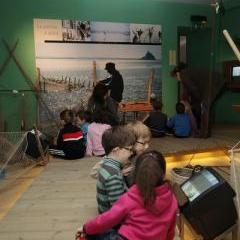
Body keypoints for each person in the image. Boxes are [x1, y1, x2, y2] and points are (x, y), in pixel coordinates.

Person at [76, 150, 177, 240]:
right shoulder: (172, 200)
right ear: (163, 174)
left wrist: (86, 228)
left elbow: (107, 219)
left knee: (92, 233)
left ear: (136, 174)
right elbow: (170, 231)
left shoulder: (130, 198)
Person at [95, 125, 136, 214]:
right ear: (116, 150)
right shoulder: (113, 175)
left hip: (105, 213)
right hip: (112, 222)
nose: (132, 152)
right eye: (129, 149)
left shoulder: (106, 163)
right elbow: (118, 209)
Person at [171, 63, 202, 135]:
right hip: (194, 98)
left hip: (197, 98)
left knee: (191, 115)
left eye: (176, 76)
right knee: (192, 115)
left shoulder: (185, 79)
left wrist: (184, 102)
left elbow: (189, 91)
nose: (176, 78)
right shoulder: (187, 78)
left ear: (179, 73)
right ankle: (196, 130)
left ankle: (196, 131)